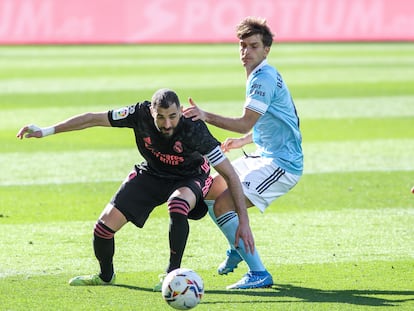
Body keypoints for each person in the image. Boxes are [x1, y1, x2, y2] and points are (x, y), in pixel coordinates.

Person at [16, 88, 254, 291]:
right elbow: (92, 119)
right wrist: (45, 131)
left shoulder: (194, 128)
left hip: (189, 177)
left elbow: (230, 174)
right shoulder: (138, 114)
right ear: (151, 112)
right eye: (161, 117)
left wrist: (243, 221)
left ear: (181, 111)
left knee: (177, 205)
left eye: (173, 116)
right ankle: (106, 276)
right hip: (152, 173)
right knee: (102, 229)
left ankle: (172, 274)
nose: (167, 123)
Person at [184, 16, 303, 289]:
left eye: (253, 46)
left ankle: (258, 273)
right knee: (212, 189)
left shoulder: (263, 78)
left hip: (282, 165)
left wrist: (204, 115)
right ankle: (237, 248)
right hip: (266, 154)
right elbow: (284, 119)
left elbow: (246, 119)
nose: (245, 52)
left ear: (266, 50)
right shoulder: (262, 75)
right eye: (242, 46)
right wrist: (246, 140)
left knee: (226, 204)